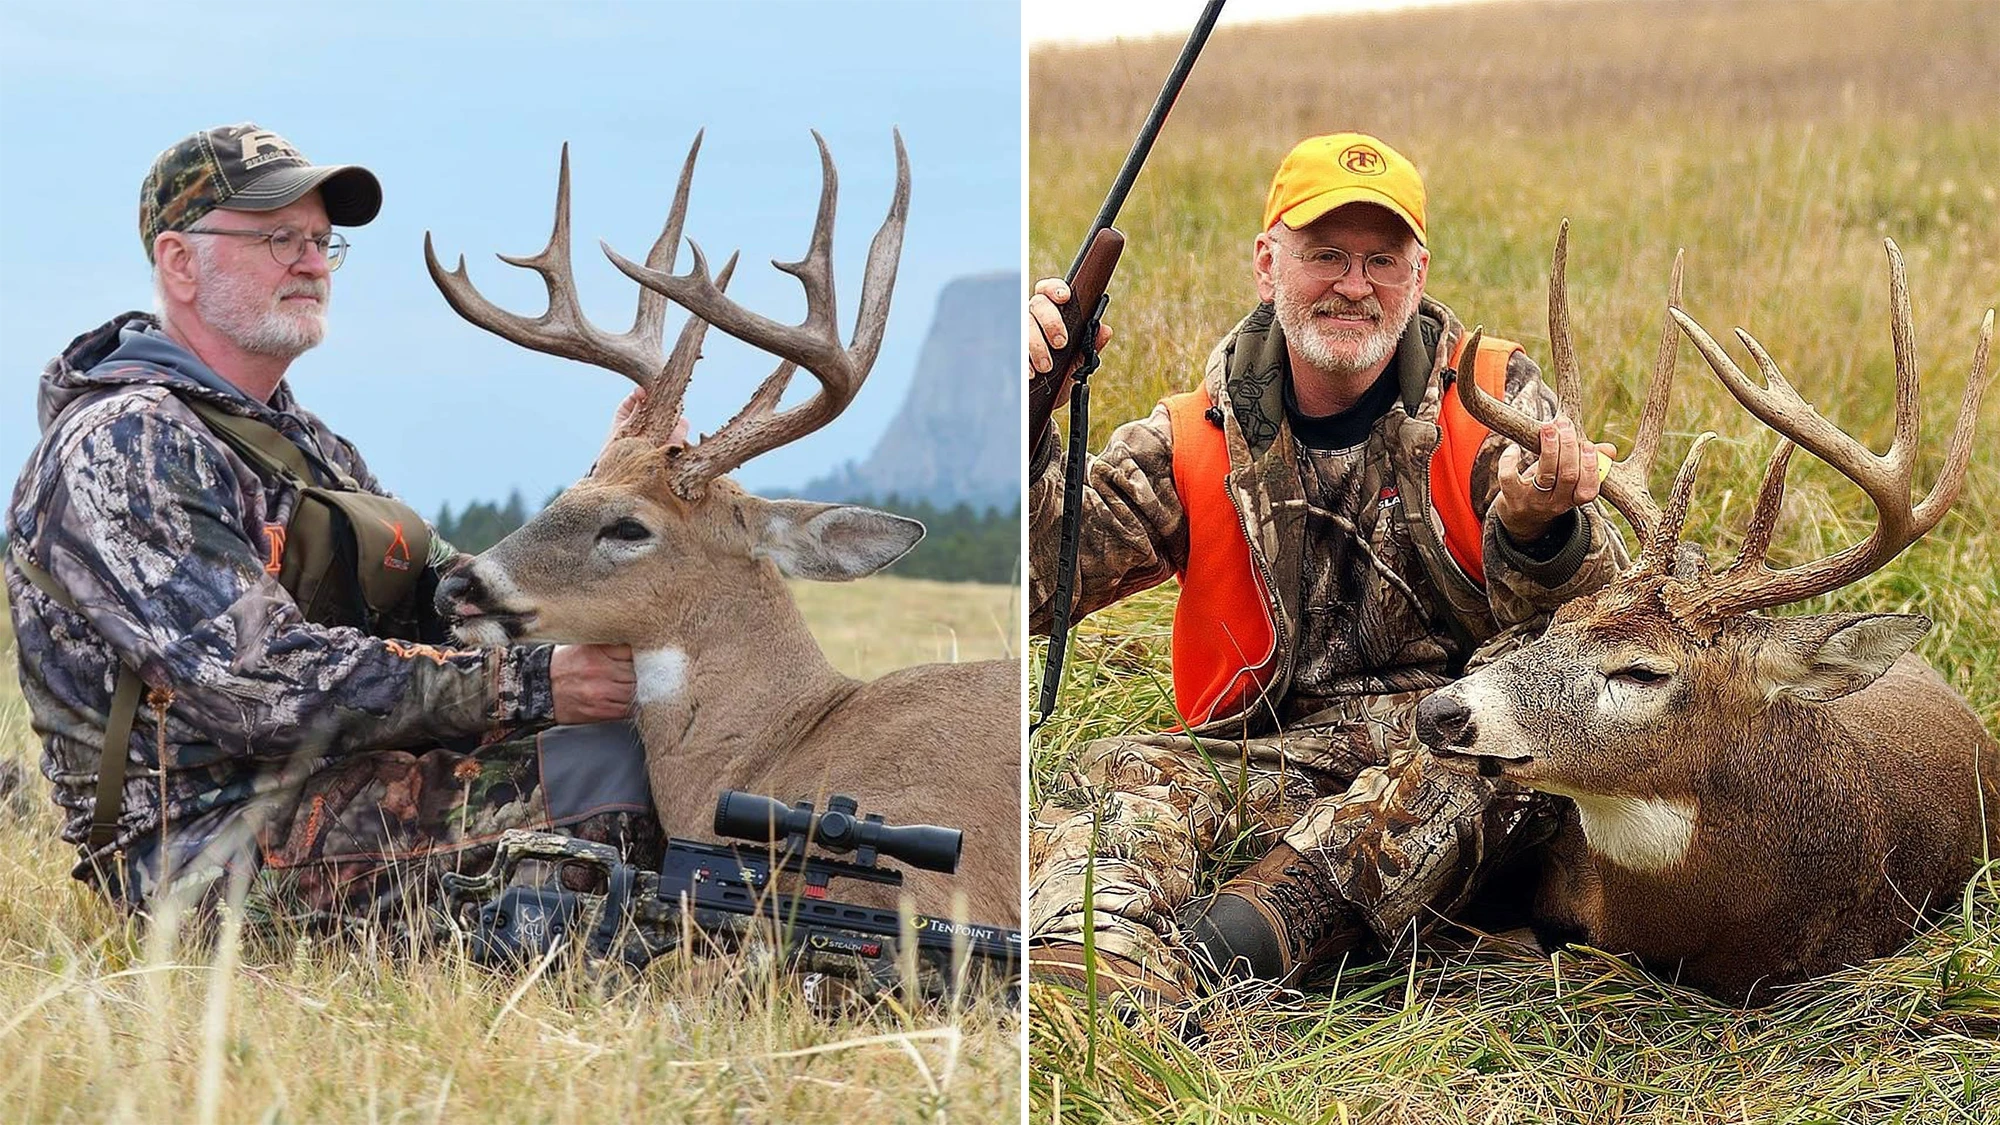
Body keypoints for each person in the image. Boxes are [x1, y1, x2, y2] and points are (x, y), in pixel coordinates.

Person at [3, 123, 657, 935]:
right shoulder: (126, 443)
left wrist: (602, 501)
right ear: (179, 262)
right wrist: (532, 684)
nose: (313, 262)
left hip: (323, 787)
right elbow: (257, 685)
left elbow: (450, 597)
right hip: (202, 851)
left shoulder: (296, 442)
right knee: (603, 774)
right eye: (280, 239)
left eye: (320, 241)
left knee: (640, 736)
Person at [1025, 132, 1627, 1002]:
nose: (1354, 284)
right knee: (1112, 772)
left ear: (1419, 276)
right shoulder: (1200, 435)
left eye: (1382, 259)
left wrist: (1541, 531)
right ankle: (1095, 979)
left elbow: (1601, 628)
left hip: (1459, 747)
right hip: (1270, 755)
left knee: (1497, 757)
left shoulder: (1494, 401)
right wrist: (1025, 418)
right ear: (1268, 264)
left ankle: (1231, 948)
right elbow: (1045, 583)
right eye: (1326, 255)